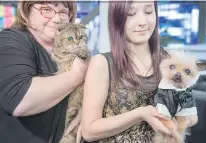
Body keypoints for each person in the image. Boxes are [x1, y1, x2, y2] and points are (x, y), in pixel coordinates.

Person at [81, 1, 173, 143]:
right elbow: (89, 131)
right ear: (117, 17)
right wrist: (140, 114)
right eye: (131, 13)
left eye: (148, 11)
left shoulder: (169, 62)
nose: (142, 22)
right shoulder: (102, 63)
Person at [0, 1, 89, 143]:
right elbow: (18, 99)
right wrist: (77, 75)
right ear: (25, 12)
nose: (57, 19)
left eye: (63, 12)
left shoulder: (71, 50)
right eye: (46, 9)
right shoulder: (11, 40)